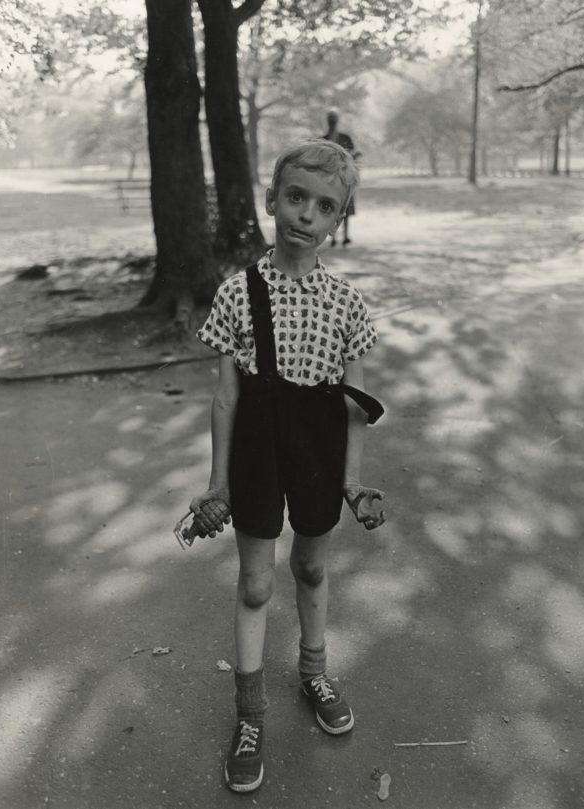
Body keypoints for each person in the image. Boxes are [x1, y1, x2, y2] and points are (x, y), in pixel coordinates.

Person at [188, 139, 386, 793]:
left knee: (309, 565)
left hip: (318, 452)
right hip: (256, 451)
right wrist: (217, 482)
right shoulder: (238, 293)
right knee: (254, 584)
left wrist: (352, 480)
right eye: (295, 197)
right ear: (272, 199)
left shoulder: (348, 306)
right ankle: (250, 716)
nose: (306, 214)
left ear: (339, 220)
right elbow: (225, 397)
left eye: (324, 206)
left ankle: (314, 669)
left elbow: (356, 405)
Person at [323, 109, 361, 246]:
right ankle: (333, 237)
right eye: (330, 118)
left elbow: (353, 154)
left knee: (346, 208)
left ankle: (345, 236)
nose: (331, 121)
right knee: (332, 208)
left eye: (333, 118)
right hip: (330, 180)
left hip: (345, 178)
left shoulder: (345, 138)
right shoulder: (323, 139)